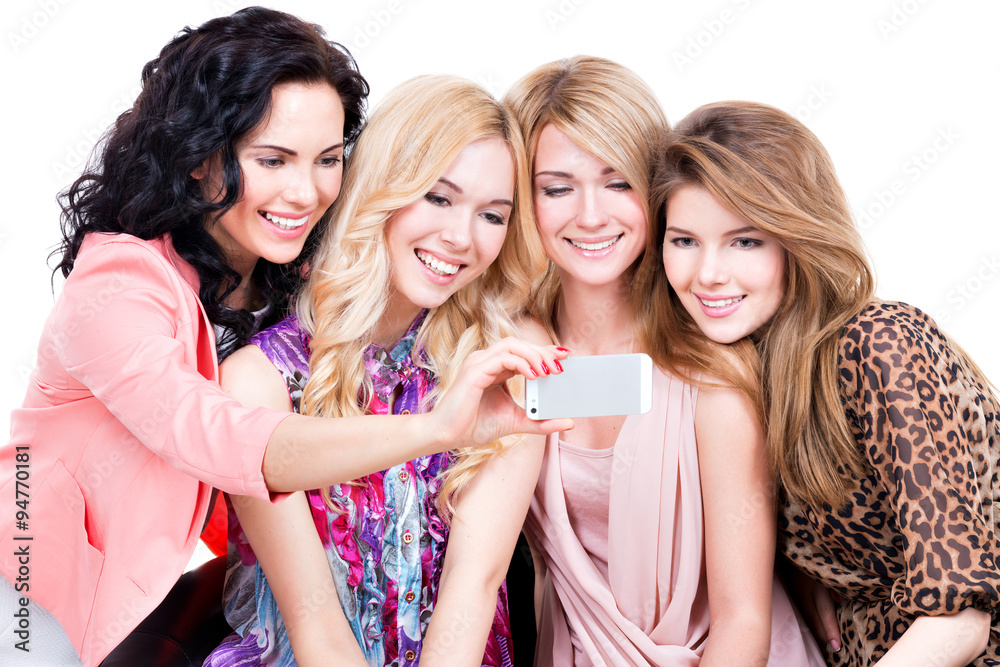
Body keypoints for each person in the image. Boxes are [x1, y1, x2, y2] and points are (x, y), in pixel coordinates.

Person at [0, 9, 569, 666]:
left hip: (158, 590)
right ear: (199, 158)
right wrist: (442, 427)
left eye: (328, 160)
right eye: (273, 159)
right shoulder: (119, 287)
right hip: (32, 587)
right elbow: (223, 434)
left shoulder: (284, 269)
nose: (305, 191)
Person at [202, 74, 554, 667]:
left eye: (493, 216)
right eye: (438, 198)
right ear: (383, 189)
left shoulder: (510, 357)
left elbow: (474, 585)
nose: (461, 238)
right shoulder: (257, 381)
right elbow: (313, 625)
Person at [641, 99, 1000, 666]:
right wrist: (806, 574)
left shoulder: (878, 343)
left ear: (797, 240)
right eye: (684, 240)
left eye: (745, 241)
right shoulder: (741, 370)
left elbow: (961, 619)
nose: (707, 274)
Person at [504, 56, 822, 666]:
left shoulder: (711, 377)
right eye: (558, 187)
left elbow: (744, 620)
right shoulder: (515, 353)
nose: (590, 215)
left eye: (617, 181)